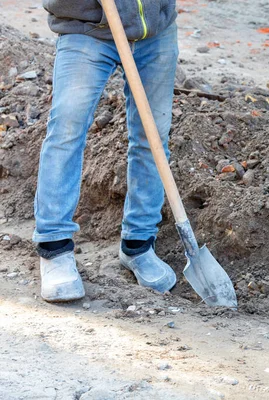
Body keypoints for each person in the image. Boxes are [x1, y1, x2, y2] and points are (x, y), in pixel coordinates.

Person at [35, 0, 179, 302]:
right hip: (87, 30)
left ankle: (139, 244)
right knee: (67, 131)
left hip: (154, 32)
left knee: (152, 137)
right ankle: (54, 247)